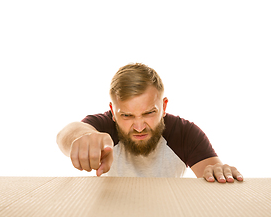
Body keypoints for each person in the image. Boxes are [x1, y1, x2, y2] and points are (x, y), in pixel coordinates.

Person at [57, 63, 243, 183]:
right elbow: (67, 133)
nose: (139, 127)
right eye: (127, 116)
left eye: (149, 113)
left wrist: (219, 171)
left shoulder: (185, 133)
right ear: (113, 112)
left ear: (163, 106)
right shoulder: (104, 128)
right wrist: (83, 138)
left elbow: (212, 177)